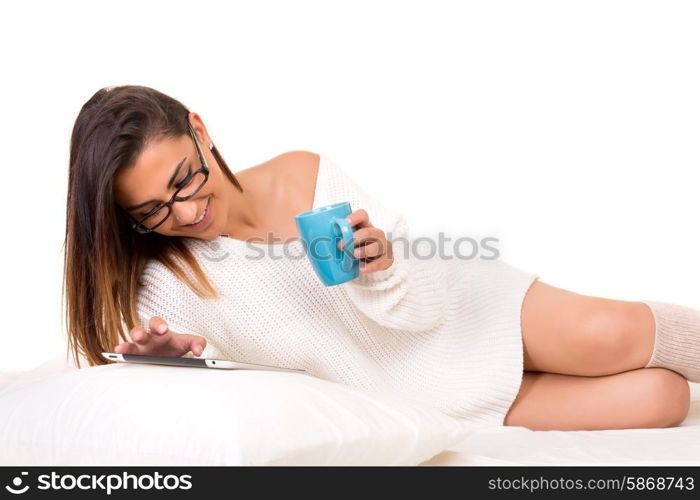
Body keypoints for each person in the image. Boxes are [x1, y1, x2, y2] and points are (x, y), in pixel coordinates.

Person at [64, 85, 693, 431]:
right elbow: (178, 371)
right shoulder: (165, 281)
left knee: (613, 332)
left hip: (455, 309)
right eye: (151, 210)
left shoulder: (300, 173)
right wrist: (173, 363)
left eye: (183, 178)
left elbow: (416, 311)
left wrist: (383, 264)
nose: (183, 211)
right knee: (661, 401)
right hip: (424, 393)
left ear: (199, 129)